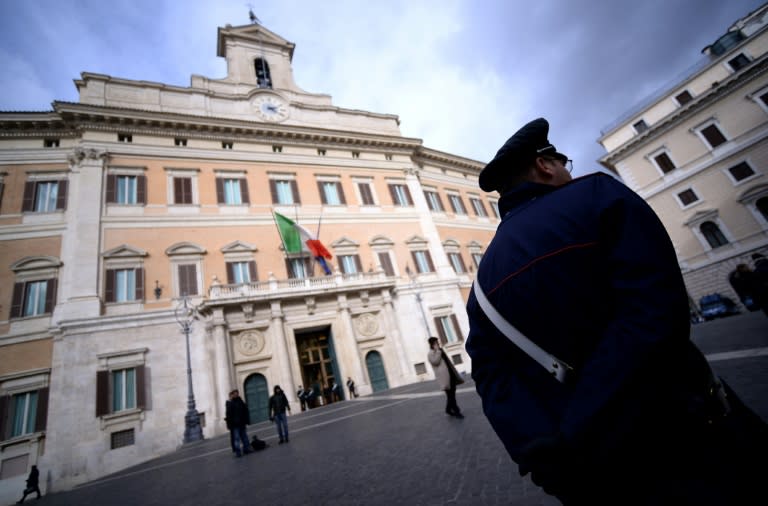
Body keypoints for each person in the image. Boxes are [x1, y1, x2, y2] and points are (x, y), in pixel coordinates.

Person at [465, 117, 768, 505]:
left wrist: (543, 453)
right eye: (562, 164)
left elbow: (492, 378)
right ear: (544, 165)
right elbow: (653, 312)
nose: (566, 172)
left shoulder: (482, 278)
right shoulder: (596, 196)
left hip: (593, 476)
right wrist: (584, 421)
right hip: (687, 440)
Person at [427, 337, 464, 418]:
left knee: (452, 394)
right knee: (450, 395)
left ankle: (448, 409)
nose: (438, 344)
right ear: (433, 344)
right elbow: (435, 362)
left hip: (450, 374)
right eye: (436, 342)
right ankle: (457, 412)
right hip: (444, 377)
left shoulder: (440, 350)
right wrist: (437, 352)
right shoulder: (431, 353)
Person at [224, 389, 251, 457]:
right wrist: (229, 425)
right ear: (233, 395)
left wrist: (247, 420)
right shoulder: (231, 404)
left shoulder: (241, 402)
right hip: (235, 425)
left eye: (237, 393)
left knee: (244, 437)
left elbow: (245, 411)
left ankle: (246, 449)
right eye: (235, 393)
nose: (236, 394)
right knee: (237, 438)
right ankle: (238, 452)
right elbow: (228, 415)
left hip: (242, 423)